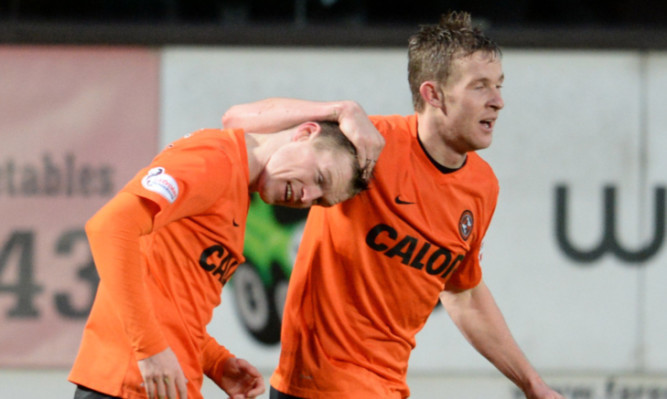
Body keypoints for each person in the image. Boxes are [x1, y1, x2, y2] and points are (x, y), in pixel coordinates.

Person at [221, 11, 565, 399]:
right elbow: (236, 121)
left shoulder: (482, 186)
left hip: (386, 388)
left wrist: (532, 383)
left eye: (499, 86)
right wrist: (338, 111)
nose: (498, 101)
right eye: (479, 87)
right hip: (315, 388)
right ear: (433, 94)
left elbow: (462, 293)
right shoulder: (369, 145)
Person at [68, 120, 379, 399]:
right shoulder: (217, 159)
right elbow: (110, 226)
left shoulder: (238, 192)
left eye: (320, 199)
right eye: (319, 177)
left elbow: (171, 299)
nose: (307, 195)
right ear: (305, 133)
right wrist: (148, 350)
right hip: (130, 385)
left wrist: (215, 362)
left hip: (160, 385)